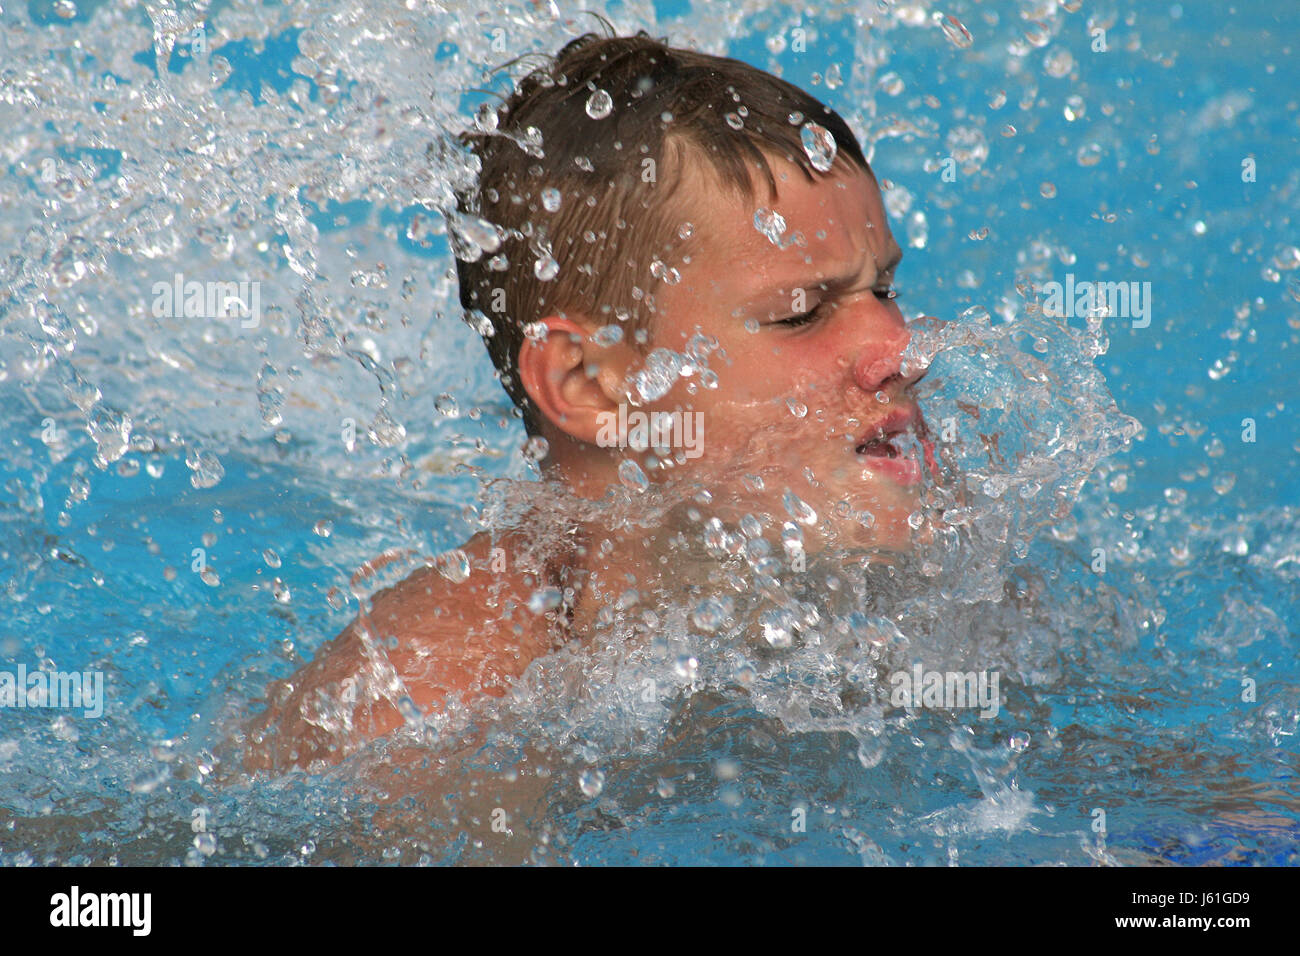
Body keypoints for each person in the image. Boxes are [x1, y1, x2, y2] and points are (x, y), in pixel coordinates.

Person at [243, 27, 936, 772]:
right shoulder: (437, 697)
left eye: (884, 290)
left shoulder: (929, 559)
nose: (903, 352)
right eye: (799, 312)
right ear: (588, 385)